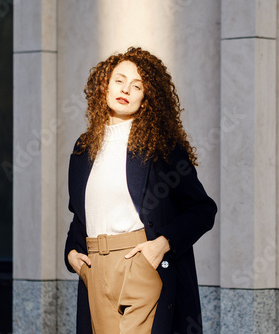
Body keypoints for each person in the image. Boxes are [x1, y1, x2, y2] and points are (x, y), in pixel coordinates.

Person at [63, 46, 217, 334]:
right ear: (104, 85)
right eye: (119, 80)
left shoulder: (161, 147)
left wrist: (162, 244)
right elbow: (80, 214)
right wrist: (71, 253)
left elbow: (202, 209)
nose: (126, 90)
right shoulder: (83, 148)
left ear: (147, 98)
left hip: (140, 264)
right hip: (95, 271)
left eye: (137, 85)